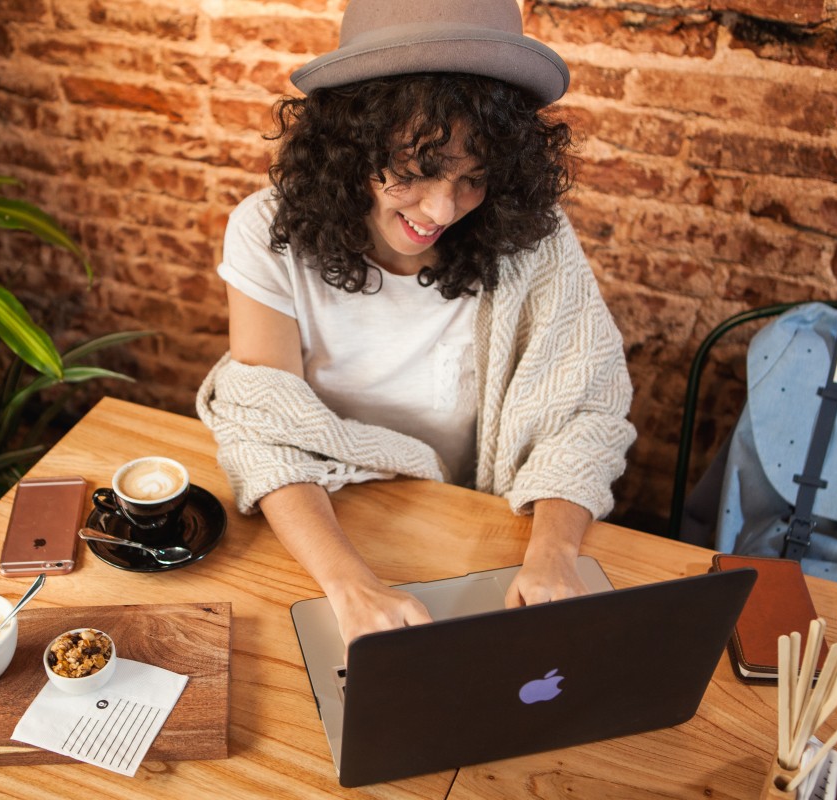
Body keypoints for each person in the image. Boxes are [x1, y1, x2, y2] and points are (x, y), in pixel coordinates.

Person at [196, 0, 636, 647]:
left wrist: (554, 555)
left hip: (475, 521)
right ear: (352, 143)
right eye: (419, 170)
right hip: (324, 520)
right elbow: (263, 429)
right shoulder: (266, 231)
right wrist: (349, 585)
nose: (442, 208)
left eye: (473, 178)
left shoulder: (532, 242)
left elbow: (586, 412)